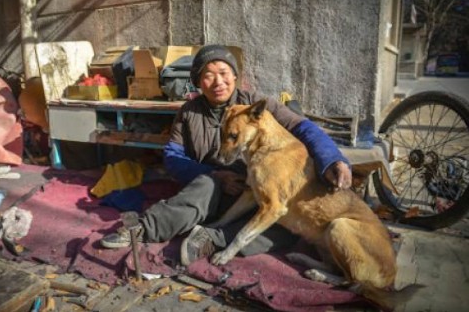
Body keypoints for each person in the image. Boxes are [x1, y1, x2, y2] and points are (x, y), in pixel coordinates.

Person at [101, 44, 352, 266]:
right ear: (199, 82)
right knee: (204, 187)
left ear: (234, 76)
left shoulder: (257, 105)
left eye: (223, 73)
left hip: (253, 191)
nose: (218, 82)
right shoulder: (189, 112)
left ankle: (212, 239)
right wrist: (215, 174)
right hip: (210, 191)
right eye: (208, 76)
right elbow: (172, 156)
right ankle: (141, 230)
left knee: (286, 225)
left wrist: (331, 158)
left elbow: (303, 127)